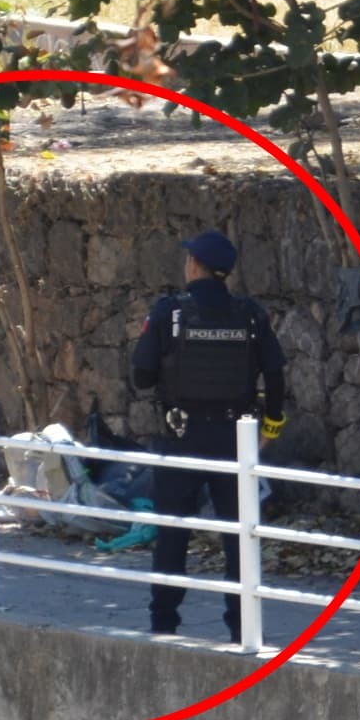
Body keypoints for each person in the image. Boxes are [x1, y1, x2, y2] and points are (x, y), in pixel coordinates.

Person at [129, 229, 287, 637]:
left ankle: (163, 626)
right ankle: (243, 629)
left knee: (172, 536)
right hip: (236, 438)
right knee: (239, 538)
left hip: (182, 437)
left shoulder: (169, 312)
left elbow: (142, 377)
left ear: (194, 265)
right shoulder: (250, 313)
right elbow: (274, 374)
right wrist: (271, 424)